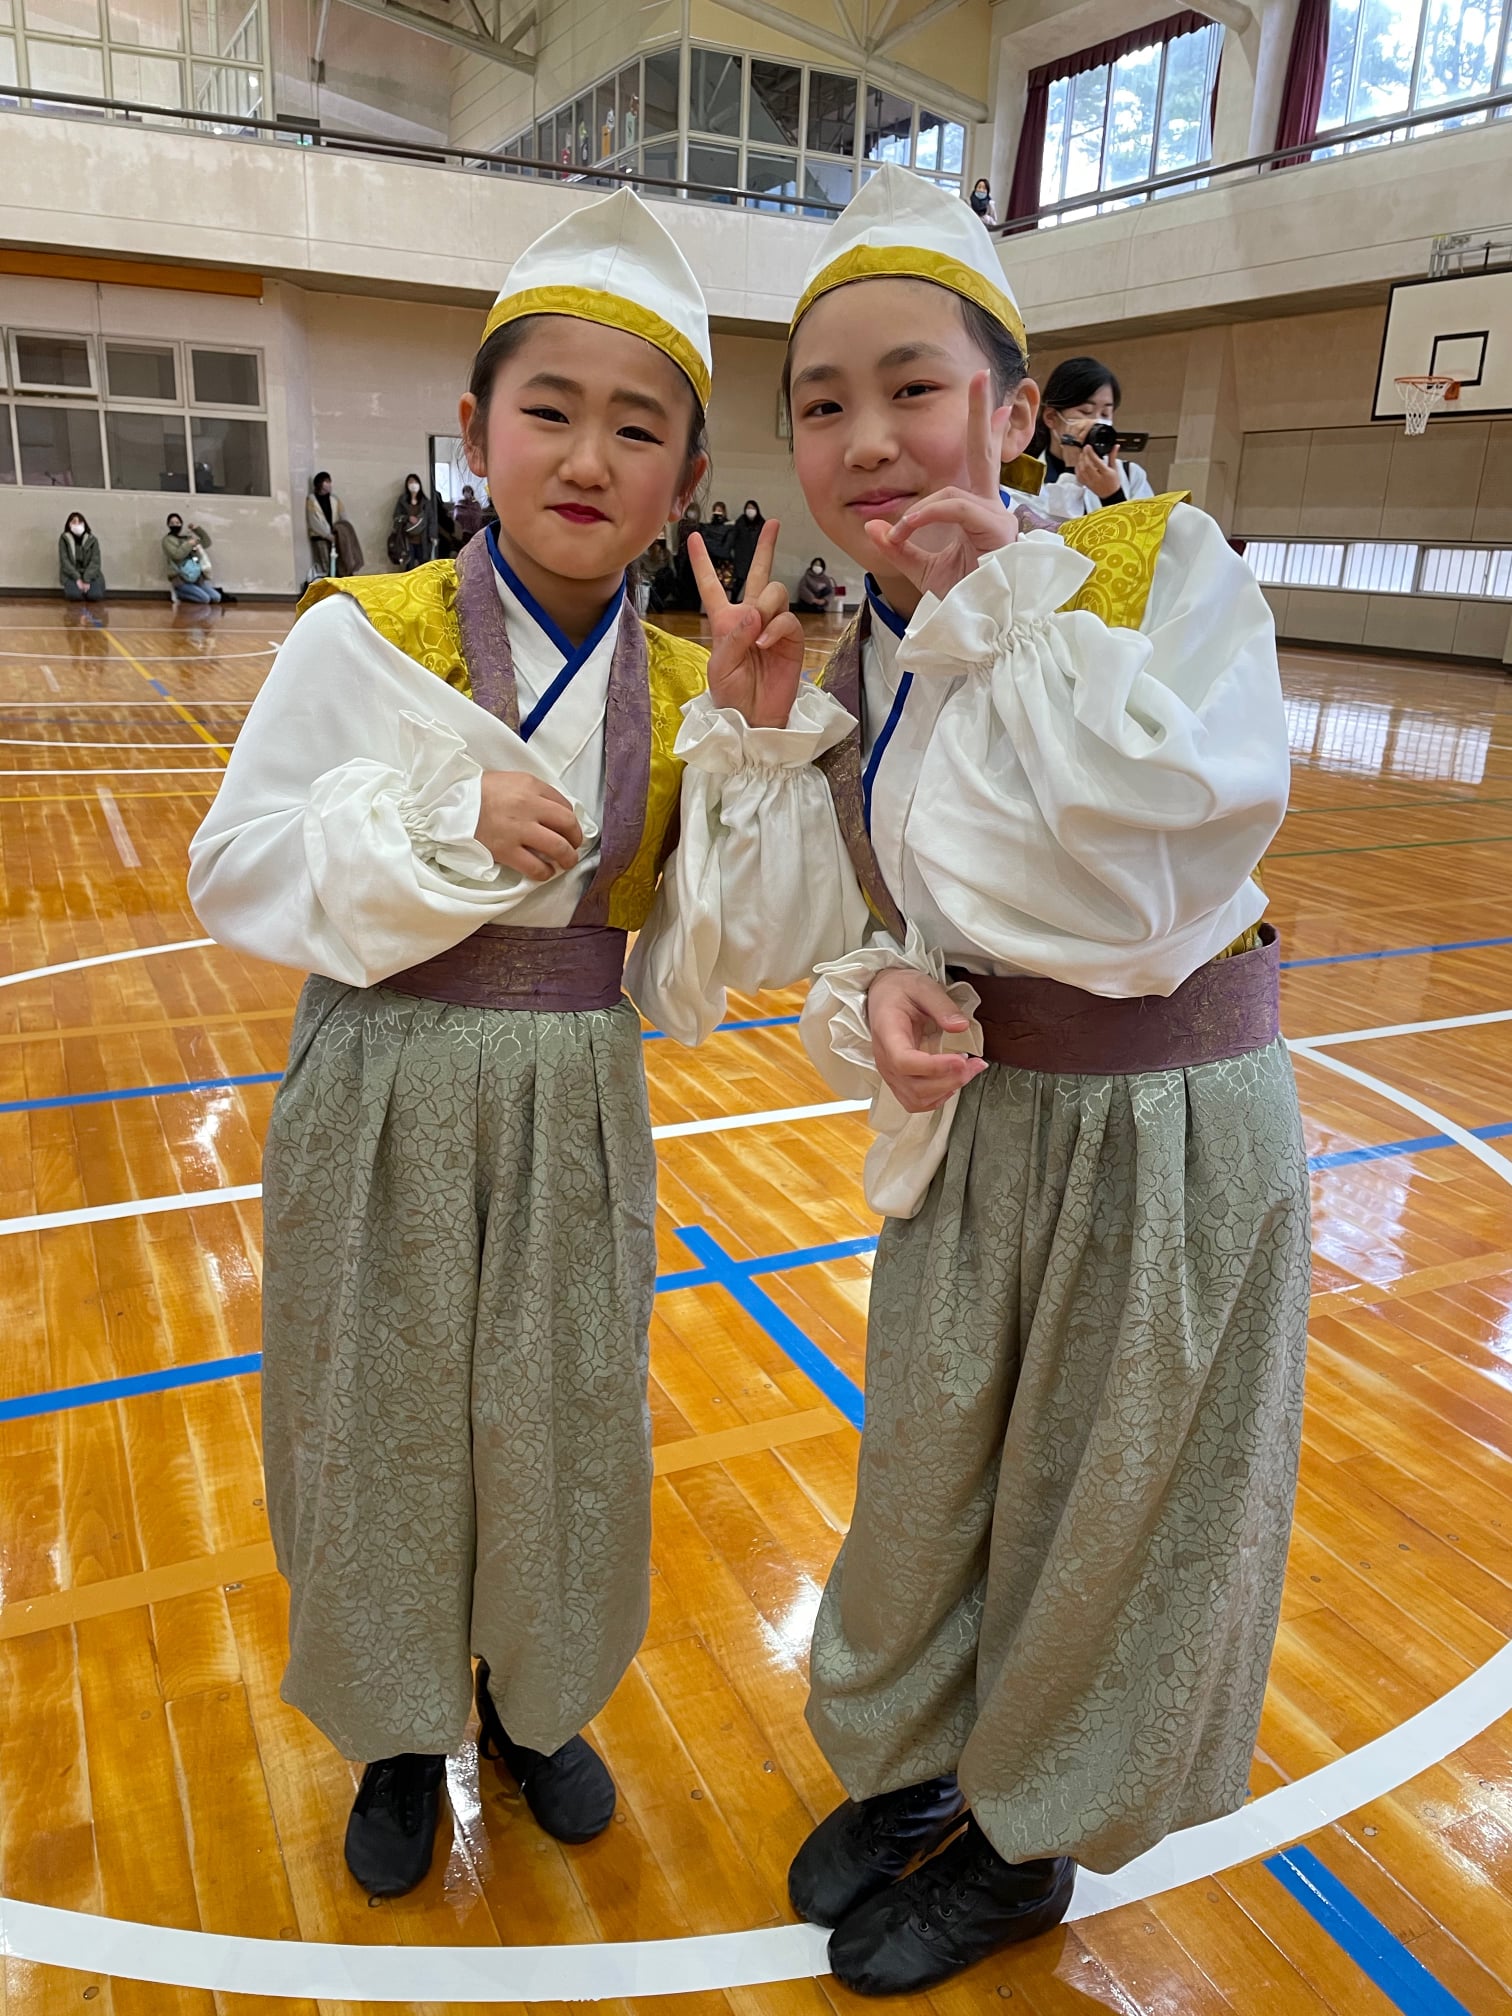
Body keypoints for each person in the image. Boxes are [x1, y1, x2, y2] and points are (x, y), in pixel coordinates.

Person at [628, 164, 1307, 1997]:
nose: (866, 436)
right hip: (979, 1129)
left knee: (1106, 1505)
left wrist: (1007, 605)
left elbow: (1156, 856)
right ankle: (928, 1765)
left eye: (911, 386)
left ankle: (1023, 1846)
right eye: (821, 403)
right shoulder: (874, 653)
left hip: (1156, 1135)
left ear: (1009, 414)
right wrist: (880, 990)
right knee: (931, 1467)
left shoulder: (1153, 571)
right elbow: (885, 924)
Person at [187, 187, 800, 1905]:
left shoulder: (682, 686)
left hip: (575, 1096)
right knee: (375, 1412)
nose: (589, 458)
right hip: (380, 1083)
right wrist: (432, 821)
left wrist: (753, 758)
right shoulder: (358, 635)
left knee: (563, 1415)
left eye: (639, 429)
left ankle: (536, 1706)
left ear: (687, 479)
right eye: (551, 411)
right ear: (475, 432)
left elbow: (714, 954)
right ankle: (398, 1729)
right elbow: (235, 865)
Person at [1025, 355, 1155, 522]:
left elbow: (1146, 532)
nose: (1096, 421)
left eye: (1105, 414)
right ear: (1051, 417)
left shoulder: (1131, 475)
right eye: (1086, 411)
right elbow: (1054, 533)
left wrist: (1113, 495)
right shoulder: (1028, 479)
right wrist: (1071, 473)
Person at [163, 512, 230, 604]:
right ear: (168, 525)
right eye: (172, 523)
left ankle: (195, 590)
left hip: (196, 577)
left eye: (177, 523)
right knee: (205, 599)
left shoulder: (187, 538)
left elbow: (207, 542)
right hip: (180, 578)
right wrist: (188, 544)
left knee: (216, 597)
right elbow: (177, 555)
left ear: (181, 524)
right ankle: (179, 593)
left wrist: (197, 529)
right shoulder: (167, 540)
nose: (175, 525)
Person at [306, 472, 364, 579]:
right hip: (320, 537)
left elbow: (343, 516)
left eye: (330, 482)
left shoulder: (335, 499)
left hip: (336, 535)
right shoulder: (312, 500)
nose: (329, 484)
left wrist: (343, 531)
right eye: (327, 482)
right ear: (320, 484)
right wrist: (327, 535)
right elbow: (314, 522)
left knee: (339, 564)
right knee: (326, 566)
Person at [391, 474, 438, 570]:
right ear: (407, 485)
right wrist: (407, 518)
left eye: (415, 482)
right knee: (409, 566)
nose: (413, 484)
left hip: (423, 539)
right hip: (407, 541)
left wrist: (433, 535)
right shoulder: (402, 500)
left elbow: (431, 520)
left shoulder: (425, 502)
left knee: (423, 566)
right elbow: (396, 517)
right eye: (410, 482)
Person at [58, 512, 105, 603]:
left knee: (95, 595)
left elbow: (95, 561)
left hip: (90, 574)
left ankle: (88, 590)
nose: (77, 524)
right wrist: (77, 578)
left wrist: (86, 579)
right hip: (72, 575)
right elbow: (64, 561)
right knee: (74, 595)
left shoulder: (92, 540)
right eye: (74, 522)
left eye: (80, 522)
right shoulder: (64, 539)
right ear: (69, 525)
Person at [730, 497, 765, 599]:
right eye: (748, 508)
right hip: (741, 558)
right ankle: (733, 601)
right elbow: (733, 537)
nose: (750, 510)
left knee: (756, 584)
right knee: (738, 583)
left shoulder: (761, 523)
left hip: (756, 558)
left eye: (752, 508)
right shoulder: (740, 522)